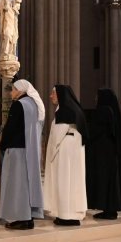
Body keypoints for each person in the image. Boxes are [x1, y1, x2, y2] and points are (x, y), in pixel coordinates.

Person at [0, 79, 45, 230]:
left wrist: (3, 144)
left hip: (17, 151)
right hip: (30, 151)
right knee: (27, 185)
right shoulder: (34, 104)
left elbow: (10, 128)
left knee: (17, 186)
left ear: (20, 90)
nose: (11, 92)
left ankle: (21, 218)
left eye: (13, 89)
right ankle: (29, 217)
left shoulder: (19, 105)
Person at [44, 85, 89, 226]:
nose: (51, 96)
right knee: (73, 182)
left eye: (53, 93)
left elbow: (56, 135)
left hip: (64, 150)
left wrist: (49, 153)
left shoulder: (64, 111)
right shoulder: (75, 109)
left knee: (64, 181)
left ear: (61, 95)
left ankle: (65, 215)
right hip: (75, 148)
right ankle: (71, 213)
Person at [86, 88, 121, 220]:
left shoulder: (103, 111)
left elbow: (95, 131)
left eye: (98, 96)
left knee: (104, 181)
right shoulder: (112, 110)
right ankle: (110, 210)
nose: (96, 99)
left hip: (103, 153)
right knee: (110, 182)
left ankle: (108, 210)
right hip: (110, 152)